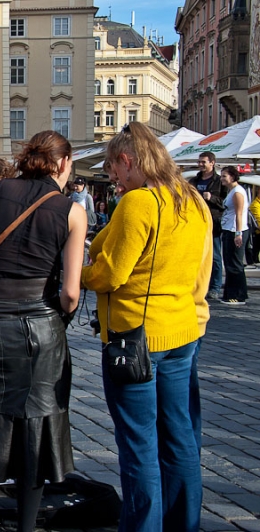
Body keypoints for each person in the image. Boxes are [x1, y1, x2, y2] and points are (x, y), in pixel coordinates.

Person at [0, 130, 86, 532]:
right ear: (63, 163)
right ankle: (26, 526)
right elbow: (71, 293)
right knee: (34, 428)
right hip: (38, 327)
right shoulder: (73, 211)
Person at [81, 122, 211, 532]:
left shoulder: (139, 202)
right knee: (180, 437)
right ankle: (183, 523)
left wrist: (80, 274)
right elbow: (200, 269)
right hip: (183, 331)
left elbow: (112, 274)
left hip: (136, 339)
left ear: (127, 160)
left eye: (113, 169)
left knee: (139, 444)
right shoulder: (191, 199)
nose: (113, 179)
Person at [190, 151, 226, 299]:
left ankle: (215, 287)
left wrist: (211, 198)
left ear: (212, 163)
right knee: (197, 255)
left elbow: (225, 202)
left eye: (203, 162)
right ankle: (198, 285)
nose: (200, 165)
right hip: (195, 221)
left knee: (215, 256)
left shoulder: (219, 181)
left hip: (213, 222)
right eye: (199, 162)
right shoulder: (194, 181)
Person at [219, 166, 249, 305]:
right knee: (229, 263)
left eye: (224, 176)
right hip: (227, 229)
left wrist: (238, 233)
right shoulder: (231, 191)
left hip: (235, 231)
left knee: (235, 264)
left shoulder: (237, 192)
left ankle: (238, 295)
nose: (222, 179)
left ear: (232, 176)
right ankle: (229, 294)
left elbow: (239, 213)